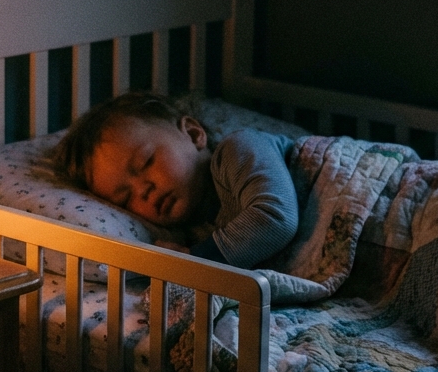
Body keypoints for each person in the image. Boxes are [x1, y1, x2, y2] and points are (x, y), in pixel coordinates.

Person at [51, 91, 300, 268]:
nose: (143, 190)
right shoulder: (196, 230)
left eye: (146, 162)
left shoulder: (238, 150)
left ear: (193, 134)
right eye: (125, 199)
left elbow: (277, 218)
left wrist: (195, 261)